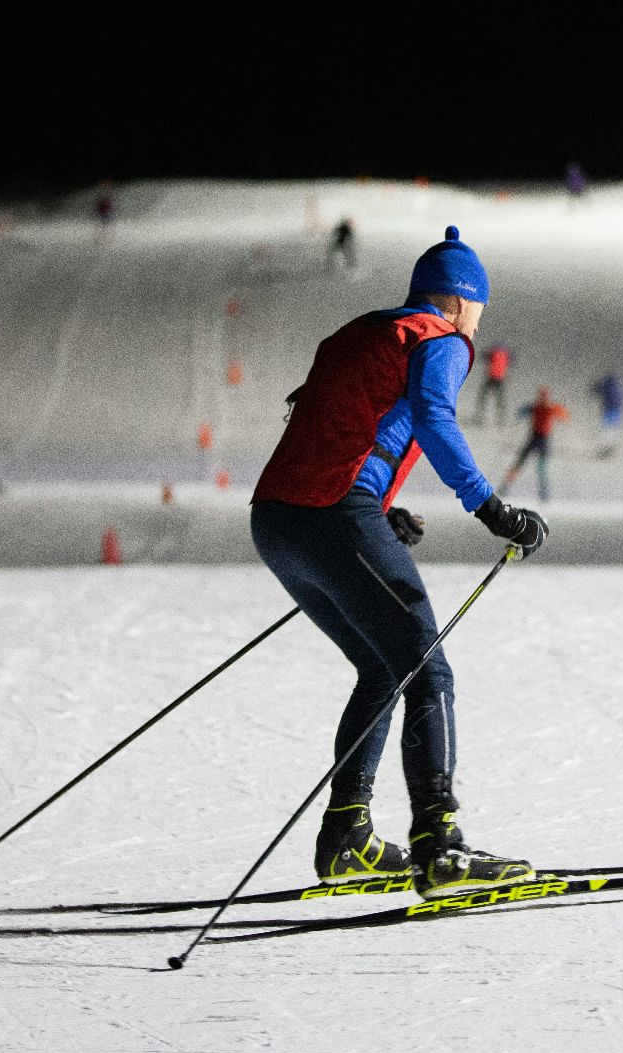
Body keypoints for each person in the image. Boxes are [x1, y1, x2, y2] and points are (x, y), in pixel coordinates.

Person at [249, 225, 549, 901]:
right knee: (425, 662)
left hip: (278, 520)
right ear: (461, 301)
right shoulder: (440, 339)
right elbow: (437, 419)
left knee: (385, 665)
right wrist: (492, 509)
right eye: (479, 308)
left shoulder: (364, 330)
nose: (477, 322)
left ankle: (348, 840)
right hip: (332, 513)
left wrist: (379, 511)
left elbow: (344, 425)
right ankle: (440, 848)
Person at [500, 386, 569, 500]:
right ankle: (505, 486)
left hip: (544, 440)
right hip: (534, 437)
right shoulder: (536, 407)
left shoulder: (549, 408)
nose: (543, 400)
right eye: (541, 397)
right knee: (519, 463)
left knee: (541, 467)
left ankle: (544, 493)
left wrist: (561, 410)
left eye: (545, 398)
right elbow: (521, 413)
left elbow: (564, 416)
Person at [471, 342, 512, 424]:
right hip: (500, 378)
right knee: (500, 399)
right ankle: (502, 418)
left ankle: (480, 417)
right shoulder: (506, 355)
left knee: (483, 397)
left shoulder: (493, 353)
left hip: (491, 377)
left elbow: (483, 356)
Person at [590, 371, 623, 458]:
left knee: (607, 430)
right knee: (614, 430)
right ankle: (612, 448)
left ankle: (606, 449)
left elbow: (596, 390)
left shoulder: (607, 386)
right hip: (618, 412)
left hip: (608, 411)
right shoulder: (619, 386)